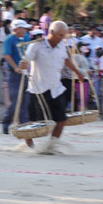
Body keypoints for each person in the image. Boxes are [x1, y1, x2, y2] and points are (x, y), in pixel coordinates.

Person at [19, 21, 85, 152]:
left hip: (56, 87)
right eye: (60, 35)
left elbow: (65, 59)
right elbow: (25, 60)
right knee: (35, 123)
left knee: (61, 120)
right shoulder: (36, 46)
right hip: (38, 88)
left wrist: (77, 72)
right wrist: (22, 65)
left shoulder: (62, 45)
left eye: (64, 35)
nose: (62, 38)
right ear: (52, 33)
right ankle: (29, 147)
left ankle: (51, 146)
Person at [1, 19, 32, 134]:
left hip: (25, 73)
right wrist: (15, 67)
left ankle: (23, 125)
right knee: (15, 101)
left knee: (25, 101)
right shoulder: (9, 40)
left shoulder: (27, 38)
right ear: (16, 29)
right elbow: (7, 55)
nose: (25, 30)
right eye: (23, 28)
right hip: (14, 74)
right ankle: (6, 122)